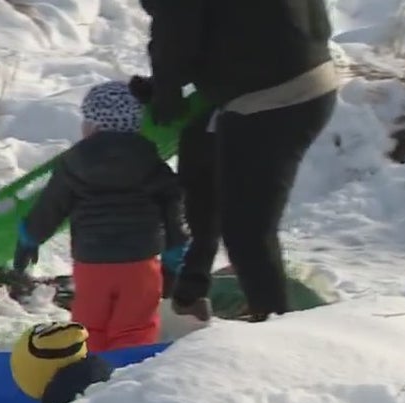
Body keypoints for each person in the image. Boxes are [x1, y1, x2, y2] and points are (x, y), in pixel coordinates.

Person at [131, 0, 340, 323]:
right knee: (204, 165)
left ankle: (272, 325)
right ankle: (190, 292)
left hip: (271, 99)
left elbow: (177, 22)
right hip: (306, 73)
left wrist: (168, 85)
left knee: (246, 229)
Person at [13, 81, 189, 352]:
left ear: (95, 125)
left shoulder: (73, 163)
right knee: (135, 327)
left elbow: (51, 206)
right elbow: (173, 209)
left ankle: (90, 377)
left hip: (92, 263)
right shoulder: (152, 162)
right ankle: (127, 376)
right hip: (140, 263)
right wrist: (174, 254)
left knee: (89, 326)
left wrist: (29, 238)